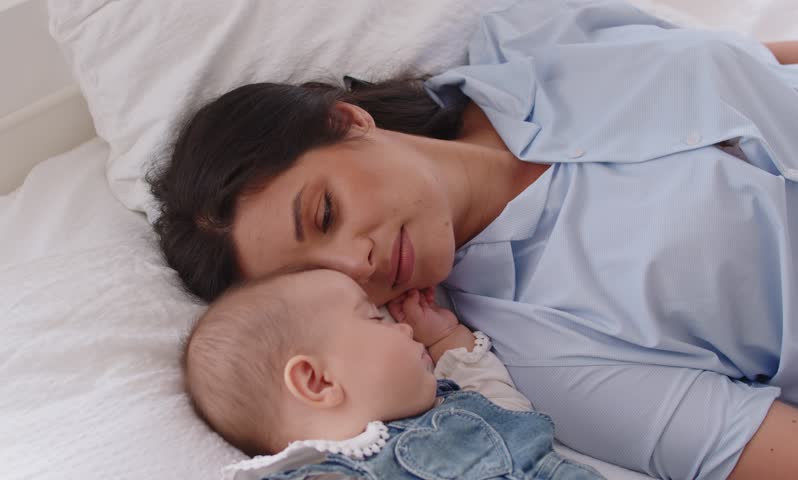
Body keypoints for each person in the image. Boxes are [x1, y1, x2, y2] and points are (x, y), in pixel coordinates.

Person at [149, 1, 798, 478]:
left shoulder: (524, 42)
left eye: (323, 213)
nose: (357, 263)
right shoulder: (532, 354)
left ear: (345, 122)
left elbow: (752, 64)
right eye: (329, 277)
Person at [186, 268, 605, 480]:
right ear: (319, 382)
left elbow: (506, 405)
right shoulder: (324, 473)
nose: (401, 326)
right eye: (375, 318)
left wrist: (444, 339)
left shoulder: (453, 401)